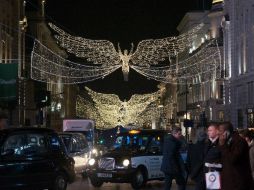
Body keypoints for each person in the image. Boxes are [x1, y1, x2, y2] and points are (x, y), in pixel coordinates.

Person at [218, 122, 253, 190]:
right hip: (229, 181)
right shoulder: (227, 141)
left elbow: (232, 159)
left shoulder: (239, 141)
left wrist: (223, 145)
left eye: (220, 131)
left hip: (237, 182)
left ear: (227, 132)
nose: (219, 133)